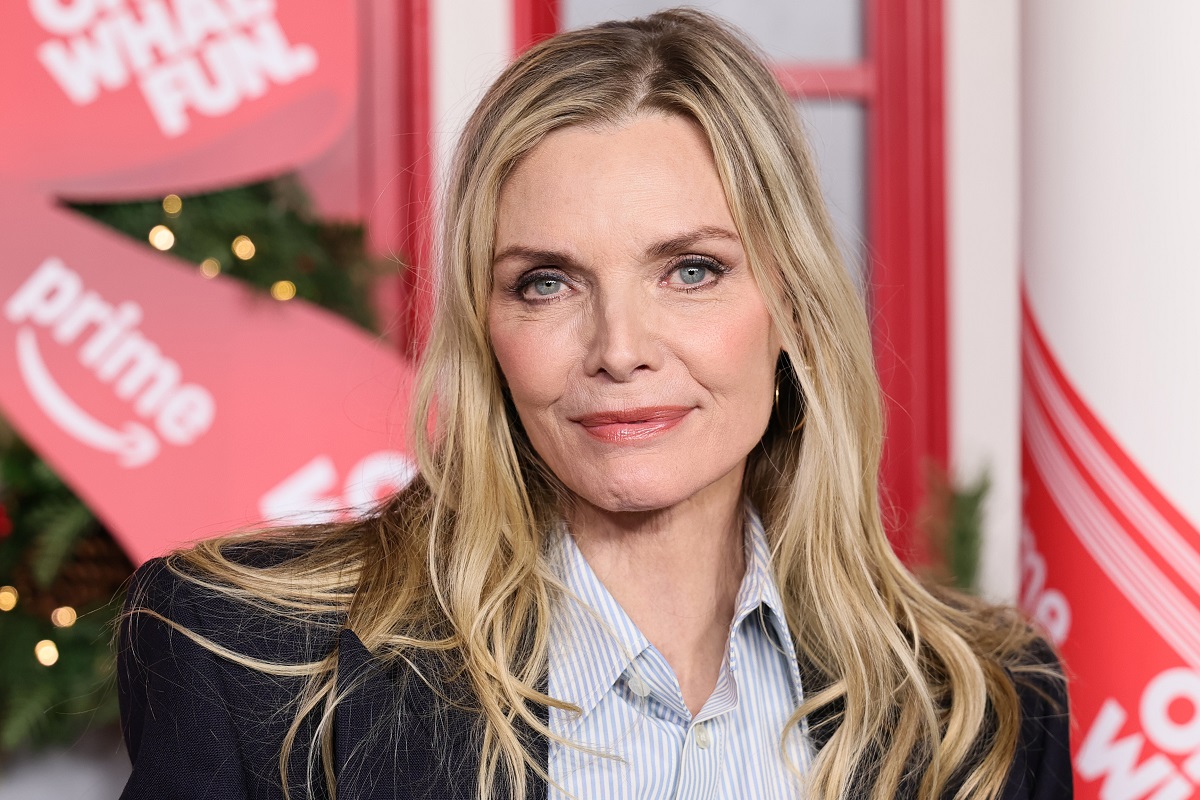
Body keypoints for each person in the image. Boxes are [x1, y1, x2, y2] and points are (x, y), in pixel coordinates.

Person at [118, 9, 1071, 800]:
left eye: (691, 270)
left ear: (791, 304)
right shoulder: (245, 662)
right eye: (547, 283)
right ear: (485, 328)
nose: (619, 350)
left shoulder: (986, 705)